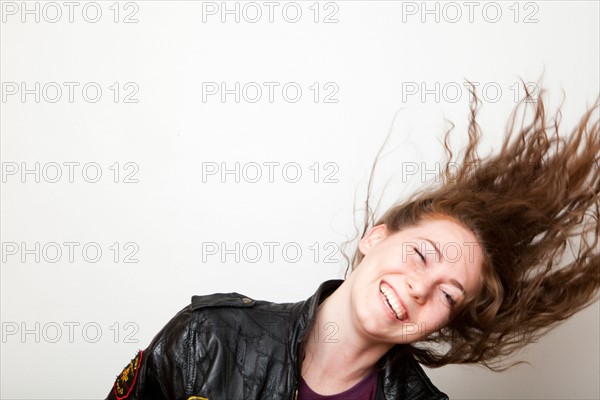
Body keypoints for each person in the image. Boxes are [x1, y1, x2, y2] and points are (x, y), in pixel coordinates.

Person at [105, 84, 599, 400]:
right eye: (421, 254)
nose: (420, 289)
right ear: (375, 237)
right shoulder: (209, 339)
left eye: (449, 294)